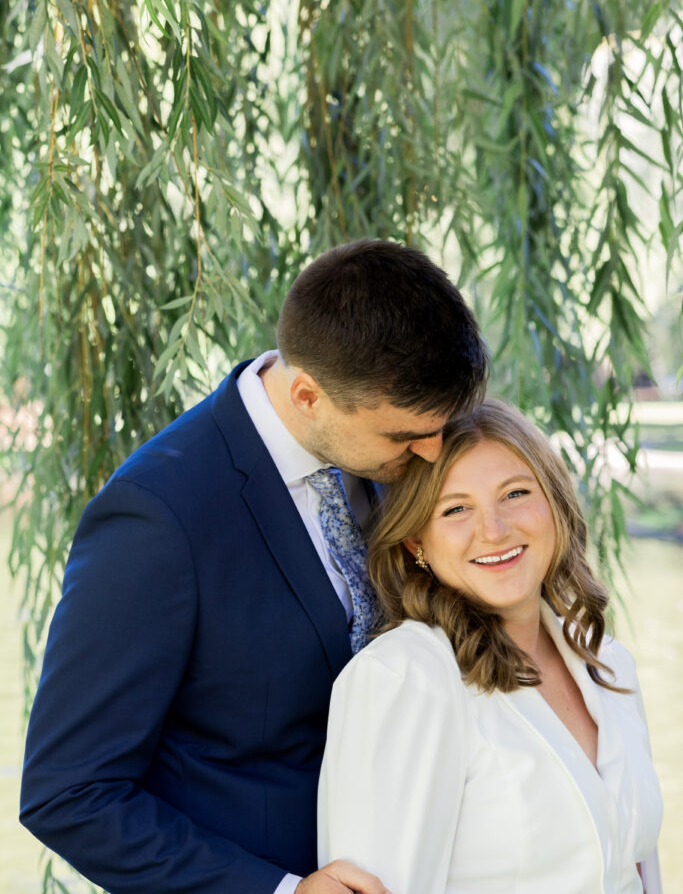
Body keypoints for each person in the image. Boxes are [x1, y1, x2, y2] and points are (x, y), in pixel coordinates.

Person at [20, 239, 488, 894]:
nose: (435, 454)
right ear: (306, 395)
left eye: (442, 425)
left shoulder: (392, 464)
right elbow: (70, 793)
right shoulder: (156, 518)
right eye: (403, 435)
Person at [318, 399, 663, 894]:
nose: (494, 530)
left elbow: (637, 868)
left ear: (554, 506)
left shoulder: (608, 663)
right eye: (456, 508)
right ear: (416, 541)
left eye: (515, 493)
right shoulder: (405, 678)